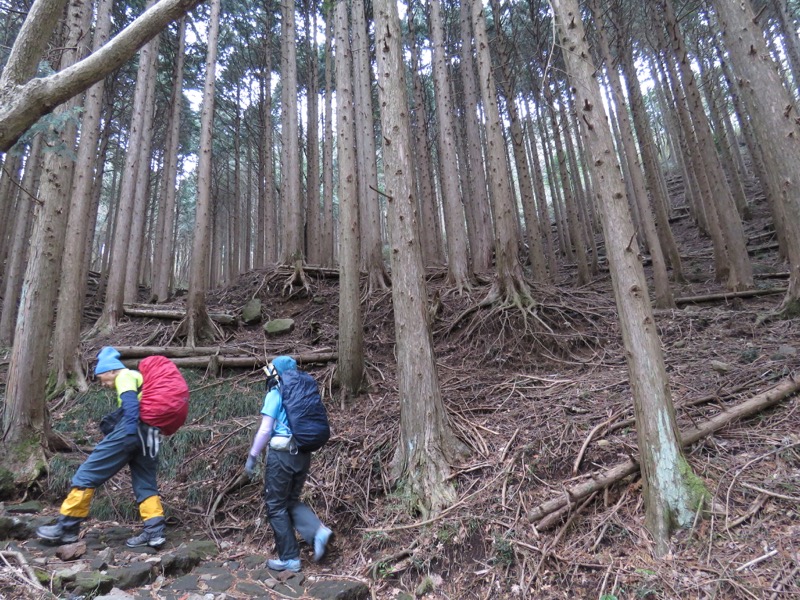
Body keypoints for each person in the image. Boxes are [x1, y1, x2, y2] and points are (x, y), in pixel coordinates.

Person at [36, 347, 167, 548]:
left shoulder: (125, 376)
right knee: (145, 481)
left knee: (87, 473)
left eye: (102, 378)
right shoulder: (140, 379)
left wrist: (130, 433)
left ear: (112, 370)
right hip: (151, 433)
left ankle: (66, 528)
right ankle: (155, 532)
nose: (103, 384)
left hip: (132, 429)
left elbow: (131, 405)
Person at [245, 355, 332, 572]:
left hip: (282, 455)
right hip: (303, 453)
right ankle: (318, 532)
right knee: (290, 501)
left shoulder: (276, 393)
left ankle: (290, 559)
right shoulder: (304, 392)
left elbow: (266, 429)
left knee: (275, 505)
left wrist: (253, 455)